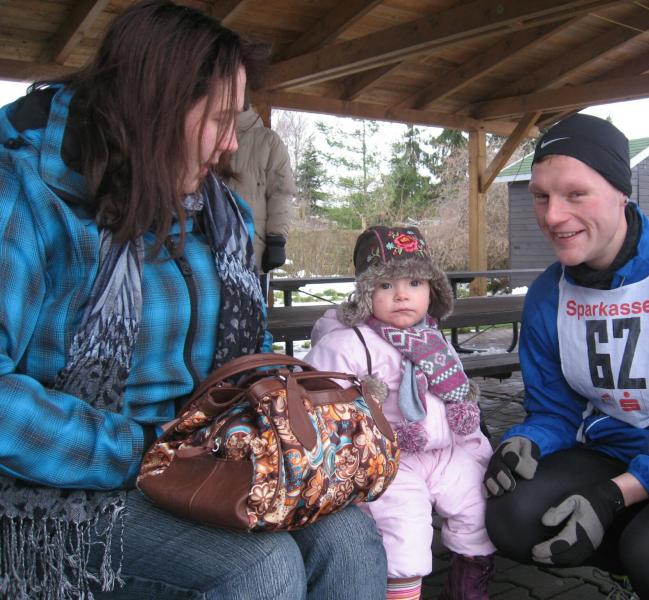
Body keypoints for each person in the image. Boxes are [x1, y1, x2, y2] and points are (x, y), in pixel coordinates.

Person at [0, 2, 386, 598]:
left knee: (349, 537)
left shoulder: (219, 212)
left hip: (200, 459)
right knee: (257, 567)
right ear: (153, 111)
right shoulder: (28, 195)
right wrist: (141, 451)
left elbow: (250, 351)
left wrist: (274, 424)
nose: (231, 145)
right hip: (62, 485)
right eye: (220, 120)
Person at [483, 114, 649, 600]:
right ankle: (634, 558)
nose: (553, 216)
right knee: (512, 514)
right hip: (612, 450)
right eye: (541, 196)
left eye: (576, 194)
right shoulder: (547, 295)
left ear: (622, 191)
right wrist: (527, 441)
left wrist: (615, 495)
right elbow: (555, 411)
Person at [304, 226, 496, 600]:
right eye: (386, 285)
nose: (402, 294)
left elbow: (459, 401)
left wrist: (477, 451)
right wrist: (357, 404)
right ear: (365, 293)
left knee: (479, 508)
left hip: (444, 452)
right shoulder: (347, 343)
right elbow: (314, 401)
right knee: (405, 530)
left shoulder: (434, 340)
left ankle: (468, 586)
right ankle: (401, 591)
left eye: (415, 283)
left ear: (433, 291)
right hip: (389, 459)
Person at [226, 101, 296, 273]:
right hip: (207, 245)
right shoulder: (204, 135)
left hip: (253, 248)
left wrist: (277, 240)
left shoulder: (269, 141)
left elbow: (281, 192)